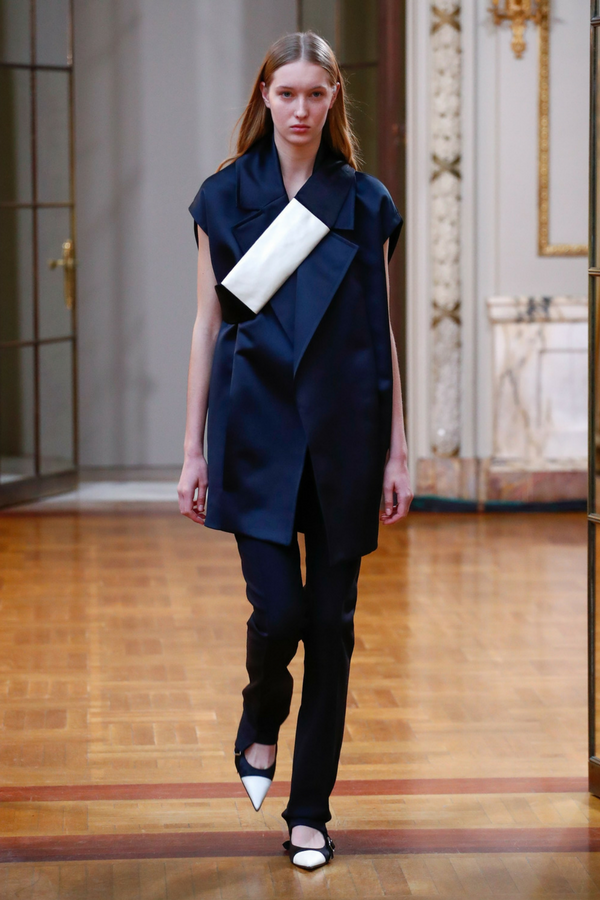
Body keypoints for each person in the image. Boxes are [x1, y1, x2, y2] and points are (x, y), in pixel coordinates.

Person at [178, 31, 412, 871]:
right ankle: (260, 713)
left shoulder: (366, 201)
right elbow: (208, 325)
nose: (302, 110)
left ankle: (309, 812)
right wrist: (192, 450)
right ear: (265, 97)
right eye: (288, 94)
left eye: (317, 94)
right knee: (280, 613)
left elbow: (381, 331)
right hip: (255, 431)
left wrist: (398, 450)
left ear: (333, 97)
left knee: (334, 630)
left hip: (346, 434)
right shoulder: (221, 197)